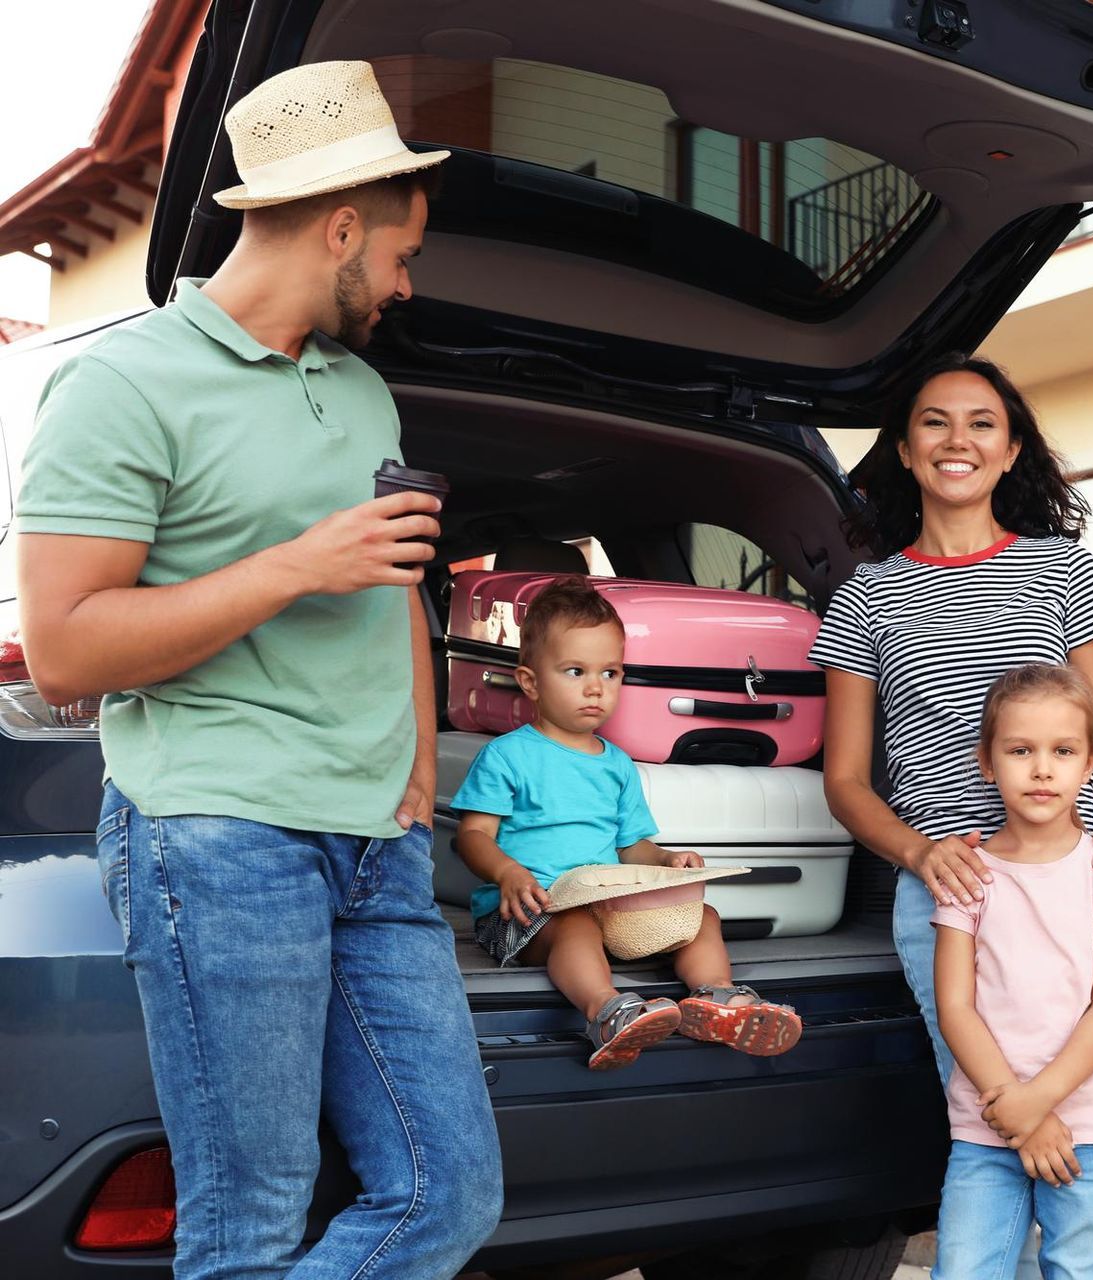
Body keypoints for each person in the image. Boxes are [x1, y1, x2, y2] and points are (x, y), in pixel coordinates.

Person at [15, 61, 501, 1279]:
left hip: (377, 848)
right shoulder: (122, 384)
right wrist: (294, 566)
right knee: (247, 1226)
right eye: (402, 253)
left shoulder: (362, 390)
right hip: (222, 838)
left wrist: (416, 768)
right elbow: (70, 647)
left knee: (449, 1193)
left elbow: (393, 578)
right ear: (341, 225)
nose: (403, 281)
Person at [812, 353, 1093, 1280]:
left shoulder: (1060, 571)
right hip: (956, 900)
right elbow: (845, 783)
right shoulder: (865, 597)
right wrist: (920, 854)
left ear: (1011, 447)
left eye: (982, 422)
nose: (959, 439)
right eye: (936, 422)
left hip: (1080, 888)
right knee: (1021, 1142)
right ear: (906, 452)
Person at [450, 576, 803, 1068]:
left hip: (607, 906)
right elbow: (471, 837)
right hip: (528, 913)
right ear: (530, 682)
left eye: (611, 673)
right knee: (572, 924)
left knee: (701, 917)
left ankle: (718, 1001)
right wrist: (506, 873)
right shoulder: (507, 757)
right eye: (575, 671)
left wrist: (665, 860)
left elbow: (630, 845)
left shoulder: (617, 763)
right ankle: (607, 1012)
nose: (596, 687)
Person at [931, 664, 1093, 1280]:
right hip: (986, 1126)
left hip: (1091, 1127)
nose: (1043, 768)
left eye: (1064, 751)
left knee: (1080, 1270)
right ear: (988, 762)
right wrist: (1016, 1110)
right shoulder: (968, 874)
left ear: (1089, 766)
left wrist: (1040, 1103)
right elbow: (957, 1008)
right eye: (1021, 750)